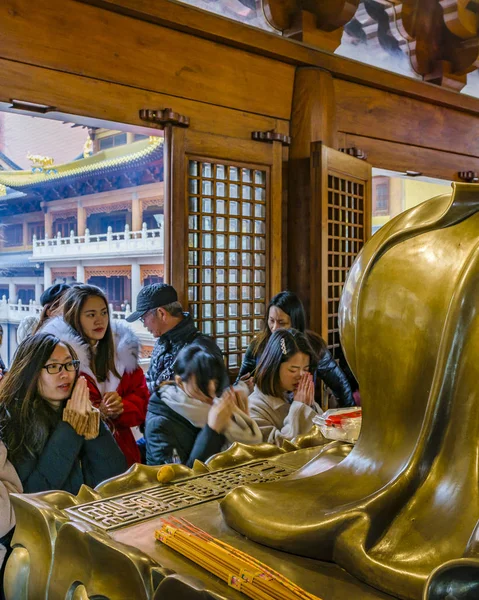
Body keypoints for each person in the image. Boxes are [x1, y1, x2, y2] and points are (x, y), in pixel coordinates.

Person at [0, 333, 126, 494]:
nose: (65, 374)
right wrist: (70, 428)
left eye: (69, 364)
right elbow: (33, 495)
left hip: (88, 515)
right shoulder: (14, 421)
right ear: (31, 372)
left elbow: (115, 480)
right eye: (53, 367)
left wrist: (95, 431)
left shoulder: (81, 412)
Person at [42, 284, 149, 466]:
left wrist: (122, 407)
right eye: (91, 315)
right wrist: (98, 413)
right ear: (74, 316)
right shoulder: (58, 359)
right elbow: (50, 411)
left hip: (123, 454)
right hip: (78, 458)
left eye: (103, 313)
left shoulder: (121, 354)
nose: (100, 320)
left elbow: (142, 398)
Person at [145, 344, 261, 466]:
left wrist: (241, 419)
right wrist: (212, 431)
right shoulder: (159, 424)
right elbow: (179, 479)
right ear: (180, 382)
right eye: (201, 386)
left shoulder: (211, 406)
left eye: (215, 383)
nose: (211, 394)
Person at [237, 290, 354, 407]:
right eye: (271, 321)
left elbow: (340, 384)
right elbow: (238, 384)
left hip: (303, 409)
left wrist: (350, 415)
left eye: (282, 323)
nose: (274, 328)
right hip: (267, 410)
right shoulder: (258, 346)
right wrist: (243, 387)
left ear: (295, 322)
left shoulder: (313, 347)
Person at [126, 283, 227, 394]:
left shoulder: (201, 350)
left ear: (161, 313)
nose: (144, 324)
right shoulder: (162, 342)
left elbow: (208, 399)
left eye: (144, 318)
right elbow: (150, 381)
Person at [249, 328, 322, 446]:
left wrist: (310, 406)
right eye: (293, 370)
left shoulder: (297, 395)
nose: (301, 375)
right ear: (274, 367)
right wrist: (299, 408)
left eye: (306, 369)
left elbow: (322, 434)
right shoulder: (253, 407)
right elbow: (280, 450)